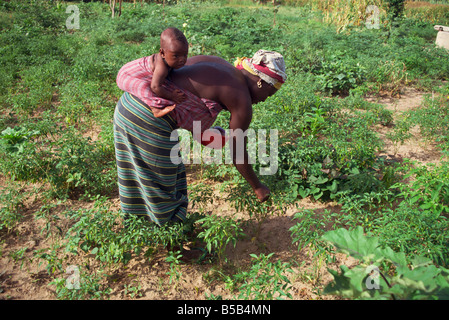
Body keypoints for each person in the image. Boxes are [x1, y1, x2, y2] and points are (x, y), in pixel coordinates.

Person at [114, 49, 286, 226]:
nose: (265, 100)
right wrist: (258, 187)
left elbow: (184, 98)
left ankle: (146, 229)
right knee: (163, 187)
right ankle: (169, 244)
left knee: (160, 176)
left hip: (128, 104)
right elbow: (237, 152)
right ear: (261, 83)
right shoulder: (241, 97)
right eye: (270, 94)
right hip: (147, 118)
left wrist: (208, 134)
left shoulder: (219, 65)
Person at [144, 27, 189, 117]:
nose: (182, 60)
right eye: (176, 56)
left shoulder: (167, 62)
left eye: (185, 55)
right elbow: (155, 86)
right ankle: (155, 108)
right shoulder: (162, 68)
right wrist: (171, 96)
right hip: (128, 75)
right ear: (162, 53)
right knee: (145, 86)